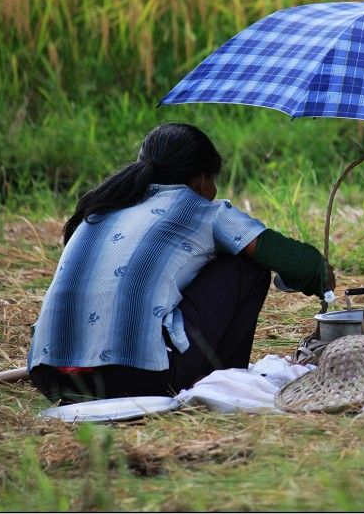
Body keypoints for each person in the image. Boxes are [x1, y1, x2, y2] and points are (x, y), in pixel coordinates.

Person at [27, 122, 334, 403]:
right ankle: (221, 382)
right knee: (247, 267)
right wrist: (321, 273)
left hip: (49, 376)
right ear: (201, 180)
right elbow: (294, 261)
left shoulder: (100, 210)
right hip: (136, 377)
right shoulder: (206, 212)